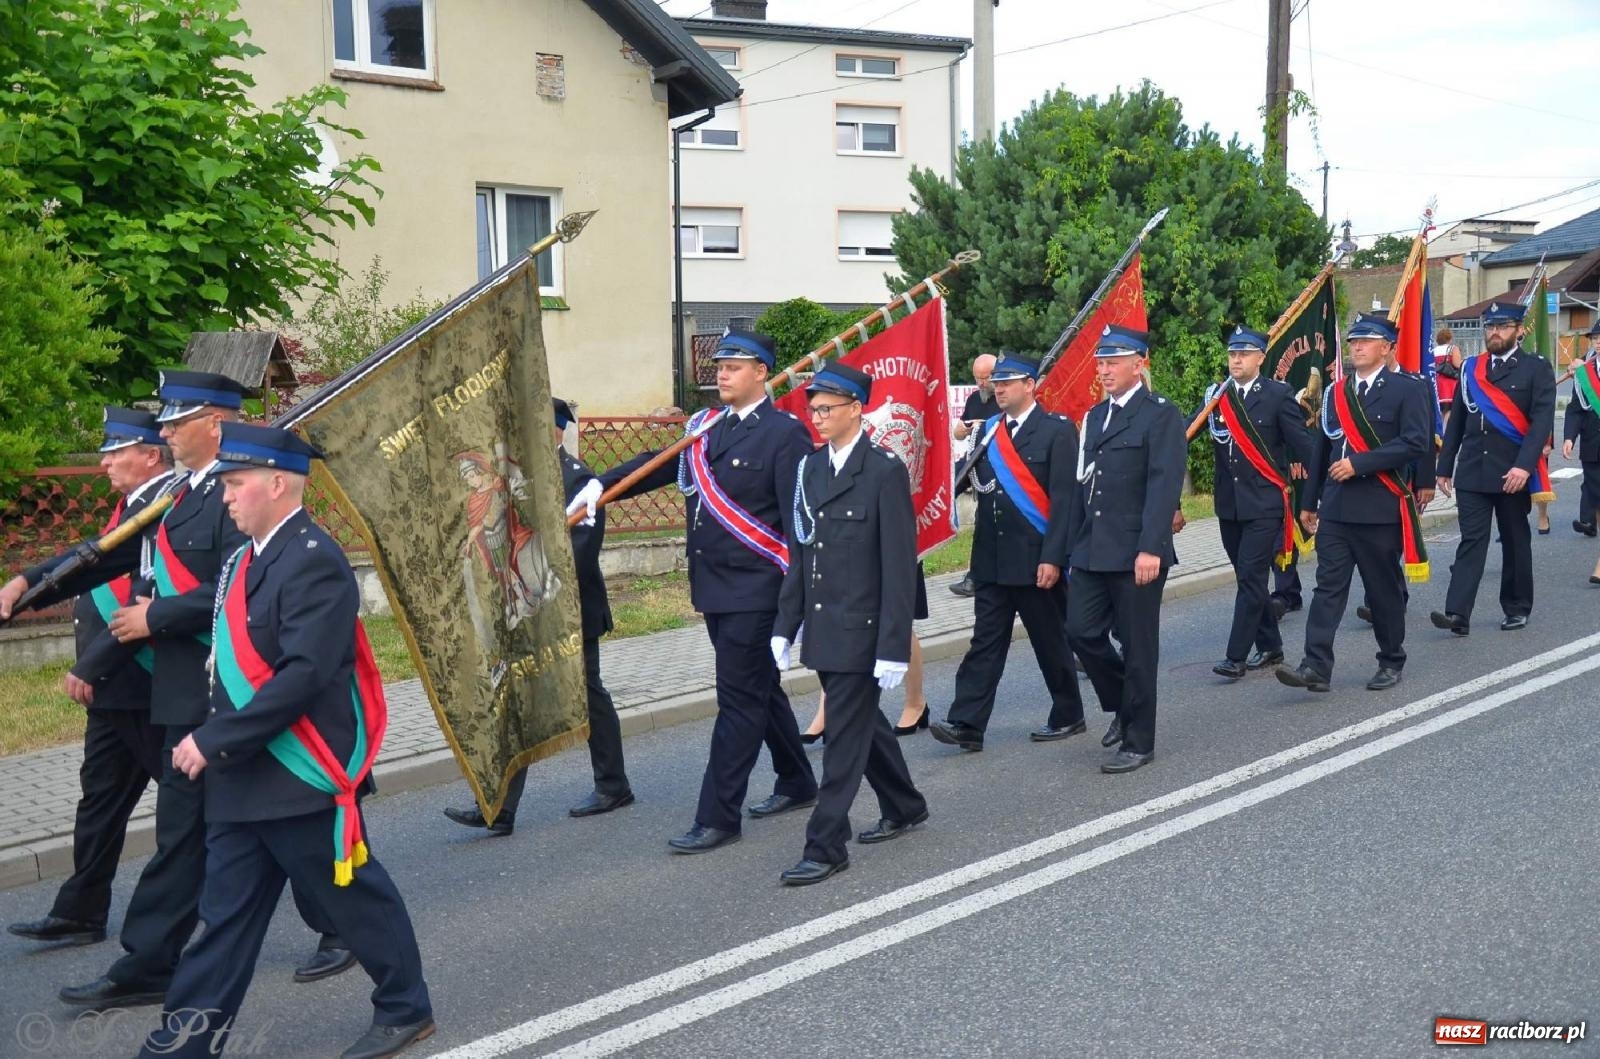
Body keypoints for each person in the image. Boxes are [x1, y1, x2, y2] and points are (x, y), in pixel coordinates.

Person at [42, 371, 347, 1009]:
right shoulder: (181, 496)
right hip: (187, 692)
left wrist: (157, 617)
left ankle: (347, 928)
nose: (166, 432)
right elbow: (112, 559)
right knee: (201, 831)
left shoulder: (238, 497)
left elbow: (243, 582)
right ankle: (154, 964)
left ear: (215, 423)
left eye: (177, 423)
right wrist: (29, 584)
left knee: (281, 827)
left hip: (239, 687)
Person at [138, 422, 433, 1059]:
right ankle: (183, 1044)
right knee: (223, 923)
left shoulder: (314, 560)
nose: (226, 496)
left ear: (276, 484)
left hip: (298, 776)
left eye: (236, 483)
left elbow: (304, 674)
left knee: (354, 899)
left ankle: (406, 1008)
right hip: (242, 780)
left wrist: (214, 740)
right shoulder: (244, 559)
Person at [599, 330, 818, 854]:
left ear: (762, 373)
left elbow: (799, 523)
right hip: (714, 587)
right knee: (759, 690)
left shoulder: (784, 434)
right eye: (719, 364)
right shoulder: (704, 426)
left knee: (738, 699)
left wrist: (797, 600)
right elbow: (654, 464)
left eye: (735, 365)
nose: (721, 373)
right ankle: (797, 779)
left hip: (758, 589)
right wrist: (596, 488)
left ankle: (718, 814)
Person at [2, 410, 174, 947]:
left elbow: (151, 593)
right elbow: (90, 562)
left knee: (198, 809)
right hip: (115, 689)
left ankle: (323, 914)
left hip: (146, 682)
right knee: (99, 799)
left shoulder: (167, 507)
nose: (103, 463)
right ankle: (80, 910)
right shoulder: (136, 505)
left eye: (115, 451)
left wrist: (94, 663)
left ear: (150, 454)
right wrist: (24, 584)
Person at [443, 398, 634, 835]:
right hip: (521, 608)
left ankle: (613, 784)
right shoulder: (515, 480)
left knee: (588, 694)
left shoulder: (579, 479)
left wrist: (536, 588)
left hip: (570, 609)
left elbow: (583, 552)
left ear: (557, 431)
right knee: (515, 701)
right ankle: (498, 807)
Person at [771, 362, 929, 885]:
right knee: (862, 723)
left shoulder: (883, 471)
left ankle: (825, 844)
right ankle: (904, 804)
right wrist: (784, 625)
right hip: (824, 625)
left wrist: (892, 647)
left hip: (863, 631)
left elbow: (898, 566)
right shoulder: (811, 469)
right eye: (812, 408)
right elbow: (802, 554)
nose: (816, 417)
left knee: (842, 733)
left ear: (856, 408)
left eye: (826, 408)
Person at [929, 353, 1083, 753]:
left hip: (1036, 560)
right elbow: (965, 480)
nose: (998, 388)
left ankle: (1069, 713)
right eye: (995, 382)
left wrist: (1054, 558)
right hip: (992, 560)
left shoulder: (1056, 432)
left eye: (1008, 382)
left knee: (1050, 641)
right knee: (985, 642)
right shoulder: (988, 431)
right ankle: (967, 723)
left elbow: (1065, 503)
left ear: (1030, 385)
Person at [1278, 314, 1430, 694]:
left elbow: (1415, 443)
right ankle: (1315, 665)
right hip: (1338, 508)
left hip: (1380, 508)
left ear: (1388, 347)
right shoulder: (1335, 392)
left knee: (1382, 590)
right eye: (1353, 341)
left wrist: (1360, 463)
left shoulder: (1407, 389)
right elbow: (1323, 451)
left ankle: (1391, 659)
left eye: (1367, 341)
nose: (1357, 346)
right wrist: (1309, 500)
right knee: (1327, 587)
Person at [1065, 326, 1186, 773]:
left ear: (1139, 364)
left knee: (1138, 646)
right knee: (1080, 631)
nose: (1104, 370)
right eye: (1101, 362)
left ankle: (1139, 740)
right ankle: (1121, 703)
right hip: (1094, 548)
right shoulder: (1095, 417)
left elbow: (1163, 483)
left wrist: (1152, 547)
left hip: (1138, 550)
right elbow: (1084, 486)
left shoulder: (1160, 414)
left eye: (1113, 362)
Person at [1431, 301, 1556, 635]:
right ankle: (1457, 612)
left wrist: (1524, 467)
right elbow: (1456, 420)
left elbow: (1541, 422)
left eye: (1502, 327)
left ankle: (1516, 606)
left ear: (1518, 331)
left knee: (1515, 539)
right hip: (1473, 468)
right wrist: (1444, 467)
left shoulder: (1535, 369)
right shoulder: (1471, 368)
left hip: (1511, 471)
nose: (1494, 333)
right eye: (1490, 327)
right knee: (1471, 539)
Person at [1204, 327, 1314, 680]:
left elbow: (1306, 447)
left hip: (1266, 503)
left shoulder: (1278, 396)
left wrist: (1316, 497)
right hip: (1229, 504)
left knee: (1251, 577)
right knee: (1246, 578)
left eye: (1244, 354)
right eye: (1232, 354)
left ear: (1261, 359)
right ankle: (1271, 646)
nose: (1236, 360)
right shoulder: (1216, 396)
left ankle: (1235, 657)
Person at [949, 353, 999, 598]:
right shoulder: (974, 399)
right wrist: (962, 429)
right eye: (977, 378)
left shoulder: (1004, 397)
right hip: (973, 461)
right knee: (947, 488)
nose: (981, 384)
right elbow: (959, 434)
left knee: (986, 522)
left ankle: (975, 577)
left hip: (997, 466)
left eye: (986, 378)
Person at [1563, 320, 1600, 538]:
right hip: (1591, 438)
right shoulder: (1585, 373)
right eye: (1595, 338)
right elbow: (1575, 408)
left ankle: (1589, 519)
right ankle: (1588, 521)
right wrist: (1569, 437)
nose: (1598, 342)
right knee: (1591, 480)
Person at [1433, 326, 1463, 424]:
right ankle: (1446, 432)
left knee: (1440, 410)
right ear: (1449, 338)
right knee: (1449, 410)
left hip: (1437, 383)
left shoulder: (1434, 350)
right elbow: (1457, 364)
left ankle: (1439, 433)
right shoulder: (1453, 348)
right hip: (1449, 384)